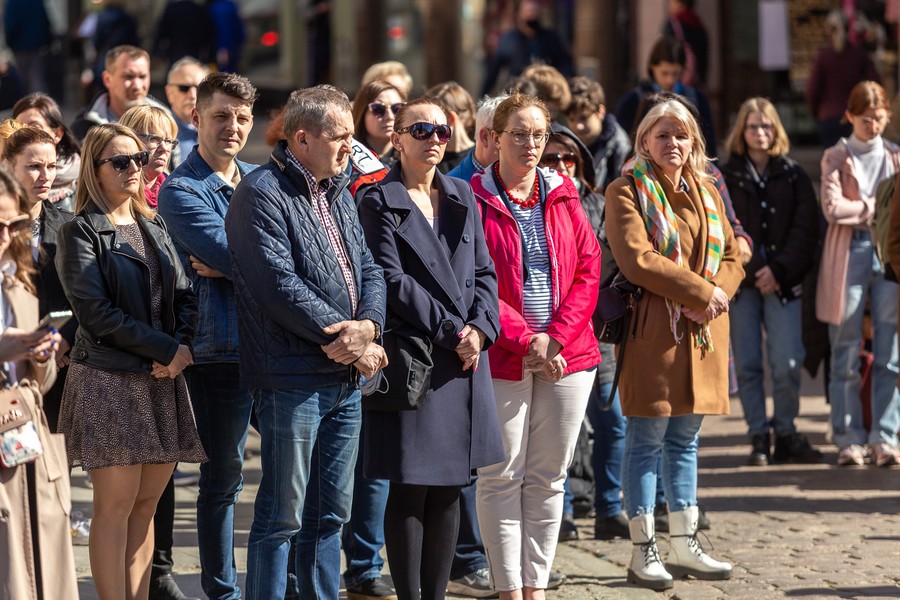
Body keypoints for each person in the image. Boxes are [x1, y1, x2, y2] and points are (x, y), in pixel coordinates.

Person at [225, 84, 387, 599]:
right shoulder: (261, 193)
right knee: (282, 515)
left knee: (330, 514)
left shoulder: (337, 189)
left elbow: (370, 271)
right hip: (291, 378)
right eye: (340, 136)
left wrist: (371, 328)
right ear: (302, 138)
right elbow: (279, 286)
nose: (349, 147)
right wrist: (351, 338)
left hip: (344, 381)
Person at [357, 98, 503, 600]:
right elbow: (388, 279)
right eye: (421, 129)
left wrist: (481, 330)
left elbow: (485, 273)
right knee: (410, 486)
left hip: (464, 358)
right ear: (396, 138)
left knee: (450, 489)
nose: (435, 138)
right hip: (419, 357)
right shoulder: (377, 199)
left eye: (443, 129)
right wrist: (452, 331)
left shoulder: (462, 192)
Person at [55, 123, 206, 600]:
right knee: (116, 507)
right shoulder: (79, 231)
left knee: (146, 507)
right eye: (119, 162)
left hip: (162, 377)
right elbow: (97, 315)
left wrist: (178, 351)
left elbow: (186, 295)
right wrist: (167, 351)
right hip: (109, 379)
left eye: (138, 159)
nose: (133, 169)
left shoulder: (153, 222)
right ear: (94, 171)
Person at [605, 98, 743, 590]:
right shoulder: (625, 190)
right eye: (662, 135)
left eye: (681, 135)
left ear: (694, 142)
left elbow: (732, 251)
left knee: (685, 441)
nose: (673, 144)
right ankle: (643, 549)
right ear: (644, 140)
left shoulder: (708, 190)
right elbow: (638, 259)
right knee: (646, 441)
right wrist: (704, 293)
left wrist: (716, 297)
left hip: (703, 332)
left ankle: (685, 542)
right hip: (654, 334)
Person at [470, 92, 600, 597]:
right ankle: (508, 589)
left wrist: (556, 337)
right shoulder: (469, 197)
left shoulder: (563, 191)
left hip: (569, 357)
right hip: (504, 355)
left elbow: (589, 269)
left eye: (538, 135)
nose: (529, 144)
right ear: (495, 138)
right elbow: (473, 282)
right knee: (501, 476)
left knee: (549, 478)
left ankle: (536, 586)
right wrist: (528, 339)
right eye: (518, 134)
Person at [158, 71, 258, 600]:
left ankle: (280, 582)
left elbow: (297, 258)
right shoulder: (181, 190)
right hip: (219, 351)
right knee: (223, 481)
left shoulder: (264, 179)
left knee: (292, 477)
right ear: (195, 118)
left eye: (243, 118)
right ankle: (223, 591)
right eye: (221, 116)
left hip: (278, 346)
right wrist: (252, 260)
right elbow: (231, 254)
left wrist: (241, 263)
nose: (233, 127)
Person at [538, 124, 630, 541]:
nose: (559, 165)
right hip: (555, 334)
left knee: (611, 421)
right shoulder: (535, 202)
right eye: (551, 158)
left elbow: (609, 262)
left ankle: (610, 506)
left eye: (568, 158)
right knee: (566, 428)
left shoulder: (597, 202)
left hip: (599, 331)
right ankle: (568, 512)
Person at [721, 98, 821, 466]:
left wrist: (777, 270)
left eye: (766, 127)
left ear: (776, 130)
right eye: (752, 127)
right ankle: (758, 435)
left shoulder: (793, 175)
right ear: (741, 132)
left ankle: (786, 431)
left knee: (786, 362)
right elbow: (726, 228)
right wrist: (754, 267)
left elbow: (806, 230)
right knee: (747, 363)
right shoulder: (726, 177)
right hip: (743, 284)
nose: (760, 134)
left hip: (783, 283)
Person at [817, 80, 900, 467]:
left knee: (890, 351)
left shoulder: (896, 157)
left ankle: (884, 435)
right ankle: (848, 436)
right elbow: (833, 209)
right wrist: (878, 207)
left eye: (880, 118)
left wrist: (861, 208)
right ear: (849, 116)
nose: (874, 125)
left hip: (889, 254)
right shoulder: (836, 155)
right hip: (849, 254)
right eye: (866, 119)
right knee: (846, 347)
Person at [0, 165, 72, 600]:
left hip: (23, 441)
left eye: (15, 224)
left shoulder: (18, 285)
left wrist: (40, 356)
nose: (6, 234)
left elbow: (41, 384)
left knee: (35, 565)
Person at [0, 122, 76, 437]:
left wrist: (65, 343)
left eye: (51, 166)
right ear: (6, 165)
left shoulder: (71, 227)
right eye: (34, 166)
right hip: (6, 368)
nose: (46, 176)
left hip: (56, 367)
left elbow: (85, 296)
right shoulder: (4, 231)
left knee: (48, 469)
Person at [615, 37, 716, 156]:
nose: (670, 80)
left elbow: (708, 145)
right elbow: (621, 144)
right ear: (652, 67)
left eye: (675, 74)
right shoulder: (633, 100)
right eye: (664, 73)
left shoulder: (696, 99)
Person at [806, 10, 880, 148]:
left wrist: (818, 112)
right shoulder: (859, 54)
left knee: (833, 164)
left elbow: (812, 90)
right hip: (855, 117)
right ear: (848, 28)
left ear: (828, 30)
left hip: (829, 117)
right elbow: (875, 84)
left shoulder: (823, 56)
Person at [72, 45, 171, 141]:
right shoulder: (85, 127)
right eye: (128, 76)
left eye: (142, 76)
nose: (137, 85)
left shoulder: (167, 120)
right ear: (107, 79)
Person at [481, 0, 573, 96]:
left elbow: (565, 64)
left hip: (545, 95)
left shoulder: (551, 38)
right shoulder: (508, 40)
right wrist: (482, 98)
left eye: (535, 11)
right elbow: (493, 73)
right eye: (528, 11)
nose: (532, 15)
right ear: (518, 14)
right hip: (517, 96)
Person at [12, 92, 82, 211]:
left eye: (34, 127)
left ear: (57, 134)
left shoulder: (85, 179)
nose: (45, 176)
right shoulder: (5, 181)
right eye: (17, 128)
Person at [565, 76, 631, 194]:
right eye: (571, 119)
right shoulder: (563, 142)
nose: (577, 126)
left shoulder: (620, 147)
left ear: (600, 111)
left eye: (583, 118)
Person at [120, 105, 180, 209]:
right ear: (130, 140)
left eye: (168, 141)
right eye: (154, 139)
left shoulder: (178, 192)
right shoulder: (116, 194)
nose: (164, 148)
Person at [447, 93, 508, 184]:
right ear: (485, 137)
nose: (529, 144)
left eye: (536, 135)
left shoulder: (534, 178)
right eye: (517, 134)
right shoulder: (451, 187)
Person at [164, 57, 210, 165]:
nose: (193, 95)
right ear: (169, 92)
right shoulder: (159, 135)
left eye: (200, 88)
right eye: (184, 88)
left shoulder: (219, 132)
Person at [424, 81, 477, 173]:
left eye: (434, 117)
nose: (426, 125)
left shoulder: (481, 156)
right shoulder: (431, 157)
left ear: (451, 119)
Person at [352, 81, 408, 166]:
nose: (389, 116)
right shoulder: (347, 157)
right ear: (362, 113)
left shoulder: (413, 155)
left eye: (397, 108)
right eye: (378, 109)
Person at [2, 0, 52, 94]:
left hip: (20, 46)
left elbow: (10, 24)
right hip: (37, 44)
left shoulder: (13, 2)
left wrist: (10, 42)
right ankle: (39, 104)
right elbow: (44, 20)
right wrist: (48, 40)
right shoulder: (36, 2)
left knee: (22, 79)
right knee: (37, 78)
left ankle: (26, 104)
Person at [152, 0, 215, 69]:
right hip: (194, 53)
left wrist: (156, 53)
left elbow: (162, 33)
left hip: (175, 53)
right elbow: (207, 36)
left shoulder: (172, 8)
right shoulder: (199, 10)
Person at [663, 0, 709, 88]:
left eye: (671, 2)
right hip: (697, 81)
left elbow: (666, 53)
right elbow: (704, 58)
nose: (669, 6)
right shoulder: (699, 25)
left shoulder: (673, 24)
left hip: (677, 82)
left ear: (681, 4)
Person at [206, 0, 246, 73]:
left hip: (223, 48)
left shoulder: (217, 8)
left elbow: (224, 30)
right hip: (233, 46)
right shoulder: (229, 5)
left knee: (224, 75)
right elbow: (240, 30)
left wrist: (223, 49)